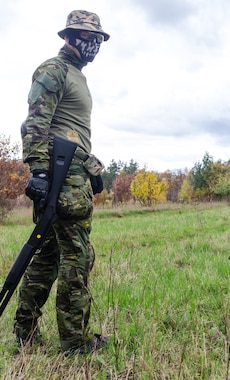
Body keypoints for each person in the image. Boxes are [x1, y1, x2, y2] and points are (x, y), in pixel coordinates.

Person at [15, 10, 109, 354]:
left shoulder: (77, 76)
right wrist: (38, 171)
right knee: (77, 257)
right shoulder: (53, 69)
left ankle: (23, 333)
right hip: (61, 181)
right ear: (68, 36)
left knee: (47, 258)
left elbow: (72, 133)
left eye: (97, 38)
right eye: (87, 36)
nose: (93, 44)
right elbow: (36, 124)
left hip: (73, 174)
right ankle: (75, 342)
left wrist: (93, 169)